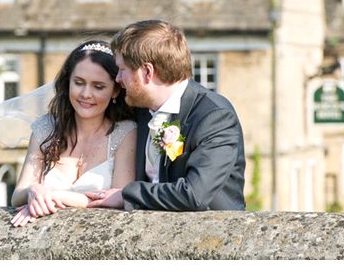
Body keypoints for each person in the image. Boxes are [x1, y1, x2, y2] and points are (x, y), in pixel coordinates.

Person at [86, 20, 246, 211]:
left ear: (147, 72)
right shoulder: (139, 105)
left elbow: (194, 195)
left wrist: (126, 194)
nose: (118, 79)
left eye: (122, 70)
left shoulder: (215, 117)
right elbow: (85, 106)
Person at [10, 40, 137, 226]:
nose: (86, 94)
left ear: (115, 90)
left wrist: (54, 196)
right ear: (68, 82)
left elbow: (119, 198)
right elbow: (17, 197)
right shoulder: (45, 128)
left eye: (98, 86)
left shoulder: (126, 133)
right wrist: (34, 191)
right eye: (78, 83)